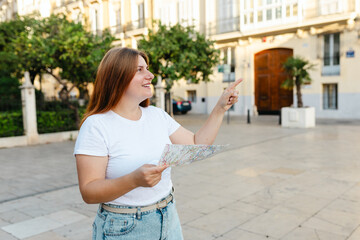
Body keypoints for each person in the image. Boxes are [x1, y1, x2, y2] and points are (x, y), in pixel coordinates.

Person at [74, 47, 242, 240]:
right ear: (117, 77)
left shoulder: (156, 115)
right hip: (124, 227)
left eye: (148, 68)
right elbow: (89, 192)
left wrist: (220, 108)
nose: (150, 75)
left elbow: (196, 143)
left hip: (168, 216)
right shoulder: (96, 125)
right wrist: (133, 180)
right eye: (140, 70)